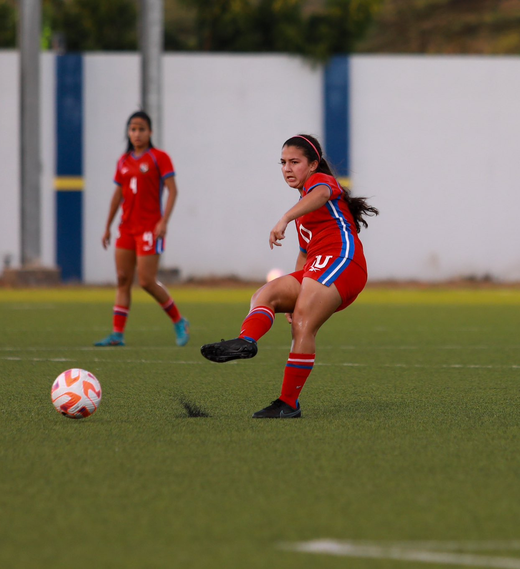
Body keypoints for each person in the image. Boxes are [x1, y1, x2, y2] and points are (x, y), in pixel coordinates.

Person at [200, 134, 378, 418]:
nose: (287, 168)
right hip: (318, 264)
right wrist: (296, 295)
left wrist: (285, 218)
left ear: (313, 164)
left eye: (294, 162)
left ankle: (288, 403)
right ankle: (247, 341)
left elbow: (321, 195)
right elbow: (305, 256)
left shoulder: (321, 182)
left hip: (343, 260)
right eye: (283, 163)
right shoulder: (304, 205)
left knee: (304, 325)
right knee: (265, 294)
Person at [94, 111, 189, 347]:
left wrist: (164, 221)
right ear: (128, 132)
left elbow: (173, 190)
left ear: (150, 132)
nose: (137, 133)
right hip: (126, 228)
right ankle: (117, 334)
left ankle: (179, 321)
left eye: (141, 129)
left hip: (149, 228)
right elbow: (118, 195)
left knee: (146, 281)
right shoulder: (123, 161)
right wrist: (107, 226)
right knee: (122, 278)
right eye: (133, 129)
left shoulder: (159, 158)